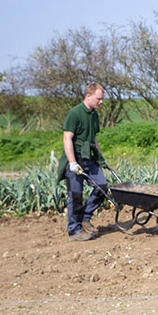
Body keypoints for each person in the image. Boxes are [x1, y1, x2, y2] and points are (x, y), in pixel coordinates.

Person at [56, 84, 109, 241]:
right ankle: (74, 230)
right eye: (99, 99)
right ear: (88, 96)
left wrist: (100, 158)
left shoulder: (94, 115)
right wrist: (72, 163)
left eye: (102, 99)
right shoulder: (75, 113)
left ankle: (85, 218)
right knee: (76, 195)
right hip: (74, 157)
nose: (101, 102)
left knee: (102, 186)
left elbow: (93, 138)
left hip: (88, 157)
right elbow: (67, 138)